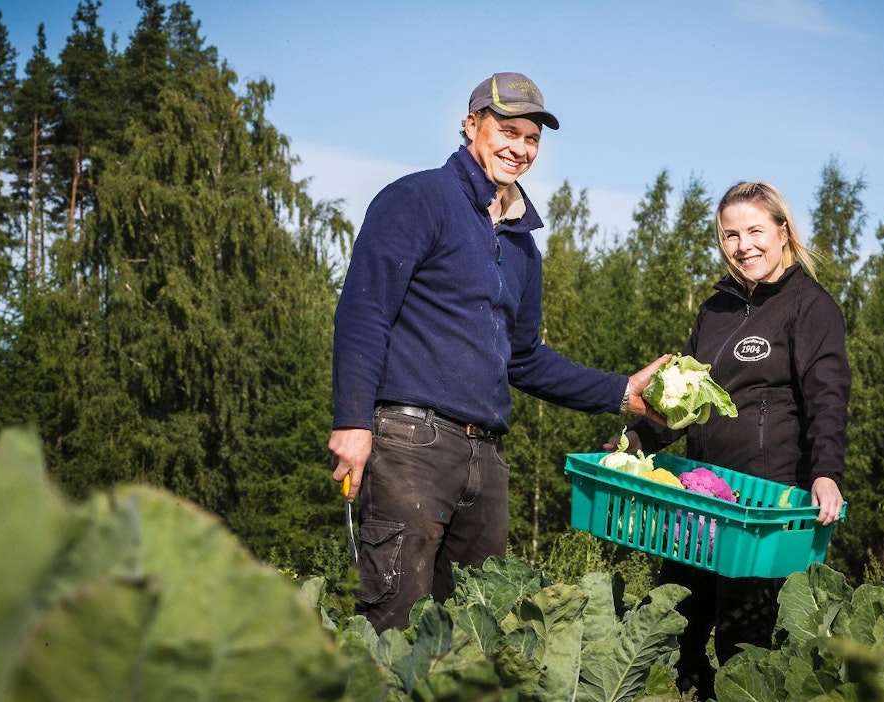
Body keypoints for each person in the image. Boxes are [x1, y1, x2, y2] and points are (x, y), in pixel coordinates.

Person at [328, 71, 670, 633]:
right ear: (471, 126)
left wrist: (622, 391)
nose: (520, 147)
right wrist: (351, 423)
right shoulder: (417, 198)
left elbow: (524, 359)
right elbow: (364, 312)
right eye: (507, 130)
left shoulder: (521, 245)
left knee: (476, 630)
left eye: (531, 138)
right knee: (396, 623)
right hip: (408, 444)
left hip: (484, 458)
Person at [616, 181, 850, 696]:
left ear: (783, 232)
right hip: (701, 496)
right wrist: (634, 443)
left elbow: (827, 397)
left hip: (763, 506)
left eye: (755, 231)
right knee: (674, 628)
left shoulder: (810, 305)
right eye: (730, 235)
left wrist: (826, 472)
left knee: (744, 645)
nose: (743, 245)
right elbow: (685, 399)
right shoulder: (715, 310)